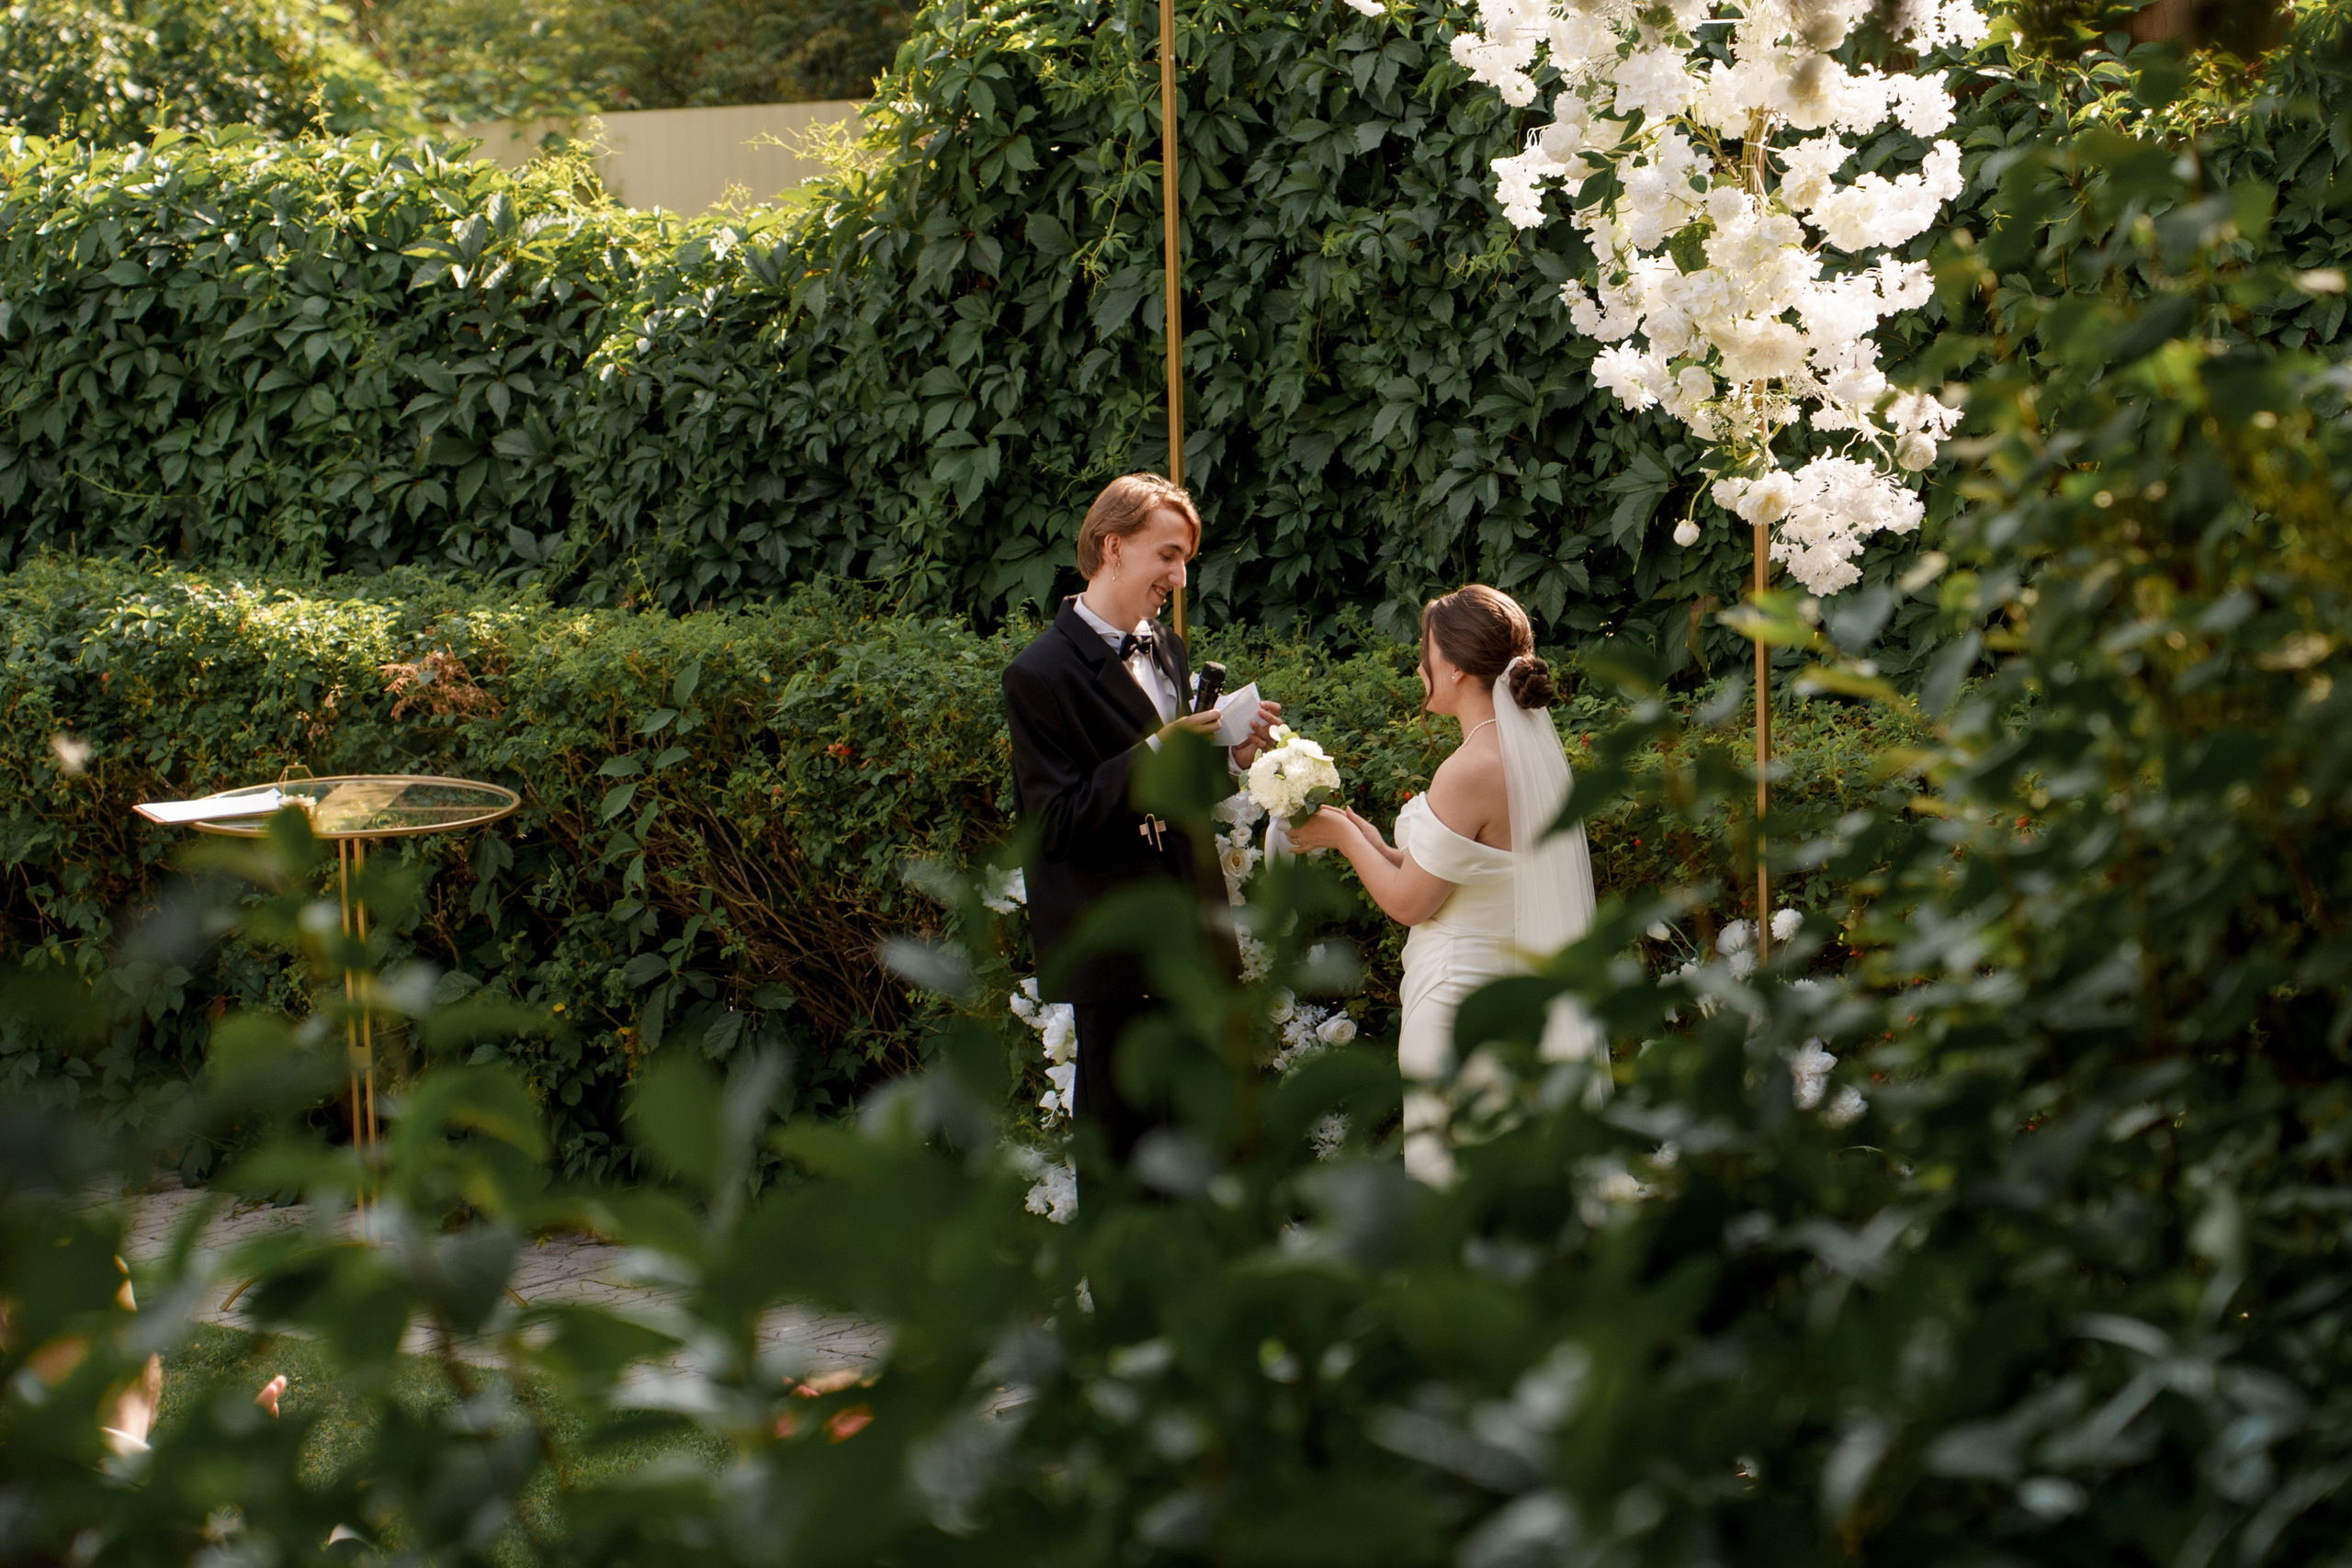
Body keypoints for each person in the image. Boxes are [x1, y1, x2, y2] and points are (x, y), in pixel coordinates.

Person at [1001, 473, 1281, 1169]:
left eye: (1185, 558)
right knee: (1129, 1164)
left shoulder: (1167, 646)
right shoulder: (1037, 673)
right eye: (1168, 555)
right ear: (1113, 546)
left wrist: (1230, 757)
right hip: (1116, 952)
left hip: (1195, 936)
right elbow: (1058, 821)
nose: (1180, 576)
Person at [1289, 584, 1600, 1184]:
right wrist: (1376, 841)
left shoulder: (1471, 768)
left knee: (1454, 1190)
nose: (1418, 666)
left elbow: (1411, 902)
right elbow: (1467, 874)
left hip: (1459, 1008)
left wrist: (1343, 840)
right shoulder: (1521, 758)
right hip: (1510, 1003)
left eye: (1425, 651)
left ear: (1455, 666)